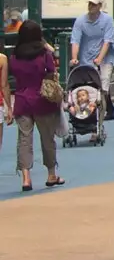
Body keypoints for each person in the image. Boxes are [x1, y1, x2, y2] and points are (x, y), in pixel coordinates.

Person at [10, 21, 64, 191]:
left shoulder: (14, 56)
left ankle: (26, 177)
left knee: (24, 139)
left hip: (22, 99)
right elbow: (51, 70)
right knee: (47, 138)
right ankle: (51, 174)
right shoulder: (43, 55)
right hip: (42, 99)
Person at [70, 0, 114, 120]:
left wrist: (99, 58)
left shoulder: (107, 20)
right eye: (90, 3)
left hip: (105, 58)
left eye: (94, 4)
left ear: (100, 6)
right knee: (90, 87)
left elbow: (107, 41)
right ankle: (98, 112)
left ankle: (100, 117)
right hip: (86, 58)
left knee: (103, 86)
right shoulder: (81, 21)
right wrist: (74, 58)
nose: (91, 6)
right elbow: (75, 40)